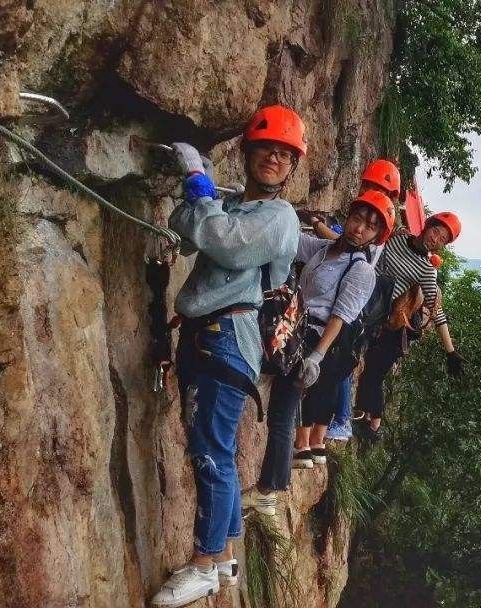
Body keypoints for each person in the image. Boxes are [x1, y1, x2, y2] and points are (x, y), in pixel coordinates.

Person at [149, 105, 305, 608]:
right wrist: (204, 196)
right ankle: (226, 556)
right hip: (204, 333)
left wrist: (199, 181)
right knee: (217, 448)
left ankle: (203, 565)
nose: (274, 159)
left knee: (210, 453)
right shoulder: (235, 204)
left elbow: (225, 246)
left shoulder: (280, 218)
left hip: (227, 339)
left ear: (292, 168)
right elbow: (184, 226)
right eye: (267, 149)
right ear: (248, 151)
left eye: (285, 154)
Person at [292, 189, 394, 466]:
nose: (359, 229)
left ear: (376, 236)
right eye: (357, 219)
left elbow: (340, 315)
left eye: (370, 227)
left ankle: (304, 446)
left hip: (321, 337)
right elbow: (293, 240)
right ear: (347, 218)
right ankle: (309, 445)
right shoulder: (325, 250)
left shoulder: (361, 270)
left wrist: (317, 355)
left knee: (306, 395)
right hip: (298, 329)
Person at [304, 159, 401, 442]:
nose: (373, 191)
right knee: (338, 369)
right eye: (369, 185)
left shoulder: (375, 231)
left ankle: (342, 420)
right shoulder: (373, 220)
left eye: (380, 188)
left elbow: (343, 241)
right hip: (348, 306)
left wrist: (318, 225)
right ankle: (326, 430)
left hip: (349, 308)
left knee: (338, 368)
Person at [353, 210, 465, 438]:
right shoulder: (398, 237)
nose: (435, 239)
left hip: (384, 320)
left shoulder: (426, 270)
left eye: (442, 239)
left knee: (371, 371)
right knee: (368, 369)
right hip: (362, 295)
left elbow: (437, 311)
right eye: (436, 231)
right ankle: (367, 420)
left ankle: (371, 426)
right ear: (428, 225)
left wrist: (450, 352)